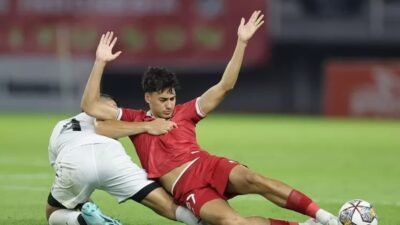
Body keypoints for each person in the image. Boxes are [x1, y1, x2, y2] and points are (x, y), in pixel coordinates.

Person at [82, 11, 338, 225]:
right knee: (234, 223)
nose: (170, 105)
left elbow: (224, 86)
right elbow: (91, 107)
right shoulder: (134, 119)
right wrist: (100, 63)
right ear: (148, 96)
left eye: (172, 98)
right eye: (163, 100)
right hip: (187, 189)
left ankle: (326, 218)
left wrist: (242, 43)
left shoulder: (186, 112)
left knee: (257, 180)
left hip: (208, 166)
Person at [45, 37, 207, 225]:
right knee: (166, 206)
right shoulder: (106, 119)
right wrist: (148, 126)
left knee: (54, 212)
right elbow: (100, 121)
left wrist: (99, 62)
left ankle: (82, 220)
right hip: (113, 159)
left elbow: (61, 167)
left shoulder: (61, 126)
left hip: (74, 161)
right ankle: (206, 222)